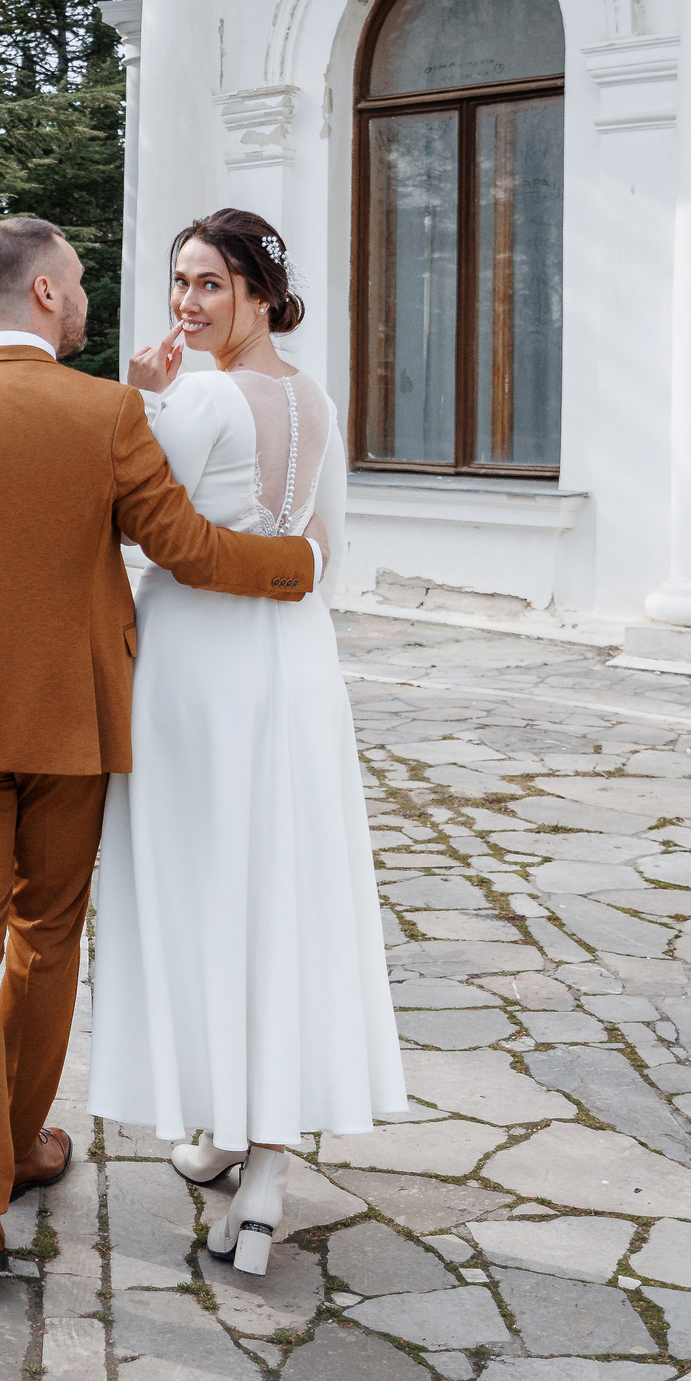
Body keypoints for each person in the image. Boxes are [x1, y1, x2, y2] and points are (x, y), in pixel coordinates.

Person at [0, 215, 325, 1276]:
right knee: (43, 938)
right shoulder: (107, 413)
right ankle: (20, 1146)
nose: (95, 299)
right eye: (80, 283)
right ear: (48, 297)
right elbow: (186, 549)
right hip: (71, 725)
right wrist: (298, 567)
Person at [91, 208, 406, 1276]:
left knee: (211, 895)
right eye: (180, 282)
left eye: (209, 285)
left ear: (260, 293)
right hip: (296, 664)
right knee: (283, 893)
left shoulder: (198, 394)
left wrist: (142, 398)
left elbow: (135, 518)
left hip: (196, 667)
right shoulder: (316, 401)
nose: (187, 302)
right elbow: (322, 553)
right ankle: (249, 1155)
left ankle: (246, 1145)